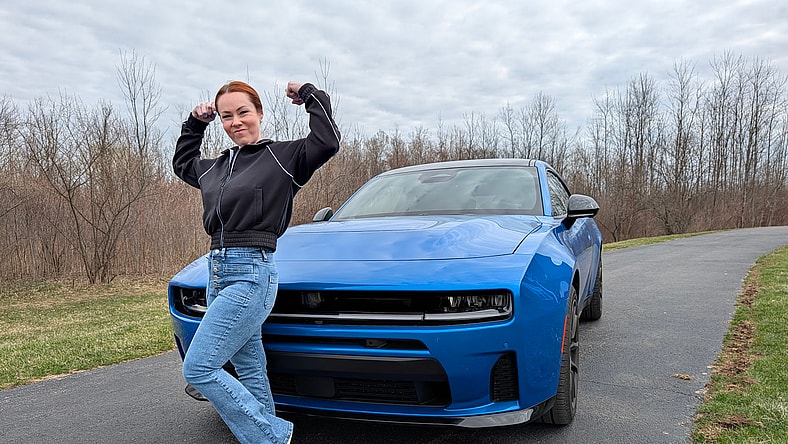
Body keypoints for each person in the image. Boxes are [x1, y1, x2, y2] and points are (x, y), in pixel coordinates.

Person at [172, 80, 341, 444]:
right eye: (226, 116)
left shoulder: (283, 158)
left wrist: (309, 94)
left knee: (199, 367)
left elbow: (327, 141)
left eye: (243, 112)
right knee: (249, 367)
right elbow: (182, 163)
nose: (235, 122)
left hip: (251, 273)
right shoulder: (215, 167)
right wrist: (195, 124)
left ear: (260, 113)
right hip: (217, 273)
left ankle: (272, 436)